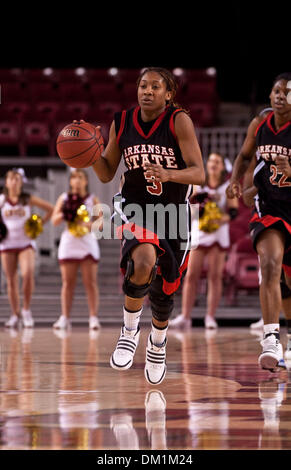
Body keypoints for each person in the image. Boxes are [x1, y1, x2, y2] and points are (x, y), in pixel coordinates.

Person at [91, 66, 205, 385]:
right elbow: (105, 172)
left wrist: (170, 175)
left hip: (173, 212)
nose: (147, 91)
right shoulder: (122, 121)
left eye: (156, 86)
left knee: (164, 293)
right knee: (141, 262)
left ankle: (158, 342)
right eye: (143, 85)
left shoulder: (178, 120)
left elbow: (199, 173)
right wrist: (86, 152)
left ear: (169, 94)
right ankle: (129, 332)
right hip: (134, 206)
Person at [226, 72, 291, 372]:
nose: (280, 96)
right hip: (267, 207)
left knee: (288, 285)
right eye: (276, 91)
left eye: (287, 92)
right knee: (269, 264)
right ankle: (271, 339)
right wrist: (235, 180)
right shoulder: (259, 125)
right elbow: (243, 155)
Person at [169, 152, 238, 330]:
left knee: (214, 277)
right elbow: (189, 209)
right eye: (212, 161)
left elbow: (233, 212)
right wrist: (199, 205)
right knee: (191, 275)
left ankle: (210, 317)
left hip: (218, 233)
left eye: (218, 161)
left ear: (223, 167)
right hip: (199, 232)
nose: (214, 164)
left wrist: (219, 218)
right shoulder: (198, 185)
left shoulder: (227, 187)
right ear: (207, 165)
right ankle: (185, 316)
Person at [242, 150, 291, 363]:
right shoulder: (260, 142)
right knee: (272, 267)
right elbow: (245, 197)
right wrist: (255, 187)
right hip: (270, 213)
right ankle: (271, 336)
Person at [0, 168, 54, 328]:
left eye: (18, 179)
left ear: (22, 182)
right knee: (11, 280)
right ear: (7, 182)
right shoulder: (2, 200)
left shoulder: (27, 199)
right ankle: (14, 314)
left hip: (26, 243)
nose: (15, 182)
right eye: (12, 179)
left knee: (28, 273)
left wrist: (38, 224)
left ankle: (26, 310)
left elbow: (50, 209)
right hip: (7, 244)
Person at [51, 168, 102, 330]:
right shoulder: (64, 198)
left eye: (80, 177)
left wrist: (89, 224)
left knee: (90, 282)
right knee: (68, 283)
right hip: (69, 242)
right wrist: (66, 213)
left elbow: (102, 221)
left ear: (86, 181)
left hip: (87, 241)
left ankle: (93, 317)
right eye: (74, 177)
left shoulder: (93, 199)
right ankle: (65, 317)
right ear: (70, 181)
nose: (77, 180)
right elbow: (54, 220)